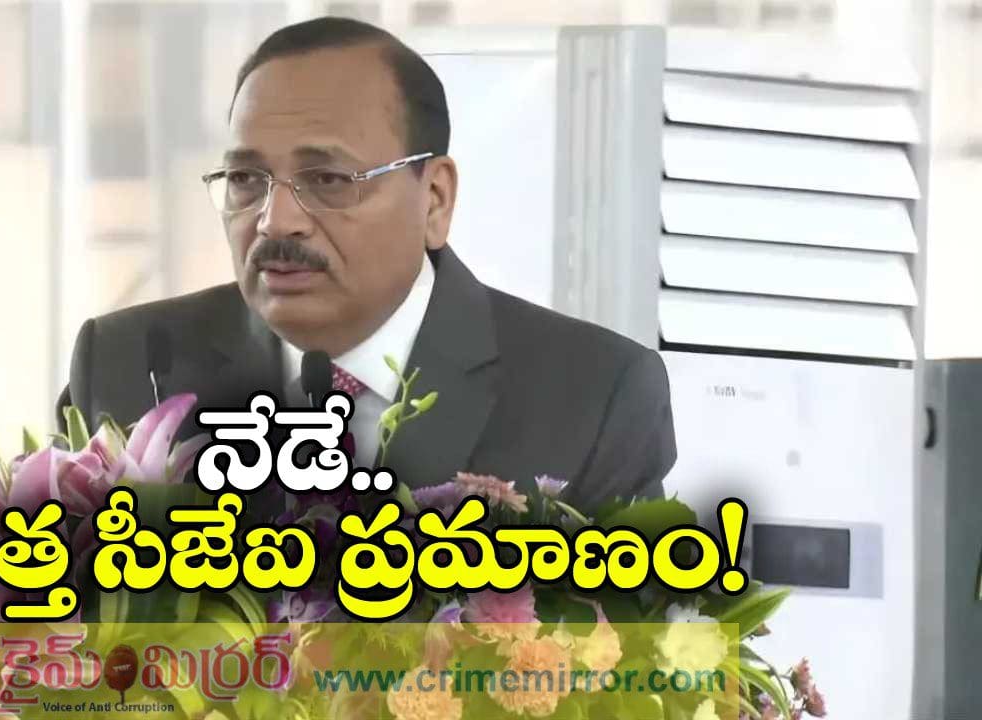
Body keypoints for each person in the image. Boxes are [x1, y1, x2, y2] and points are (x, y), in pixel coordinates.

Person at [57, 16, 674, 507]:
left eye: (327, 178)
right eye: (245, 179)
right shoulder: (127, 367)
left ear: (435, 199)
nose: (275, 220)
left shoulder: (594, 398)